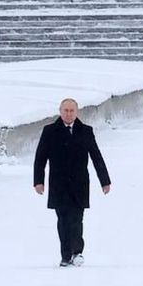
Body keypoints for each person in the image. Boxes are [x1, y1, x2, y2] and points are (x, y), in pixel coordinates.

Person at [33, 98, 111, 268]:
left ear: (77, 112)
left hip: (79, 184)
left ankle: (77, 252)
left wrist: (104, 181)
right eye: (65, 110)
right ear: (60, 111)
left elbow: (96, 157)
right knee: (63, 220)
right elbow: (40, 158)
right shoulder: (50, 131)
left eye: (72, 111)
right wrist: (38, 181)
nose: (68, 114)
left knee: (77, 219)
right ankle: (65, 255)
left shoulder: (86, 131)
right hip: (58, 184)